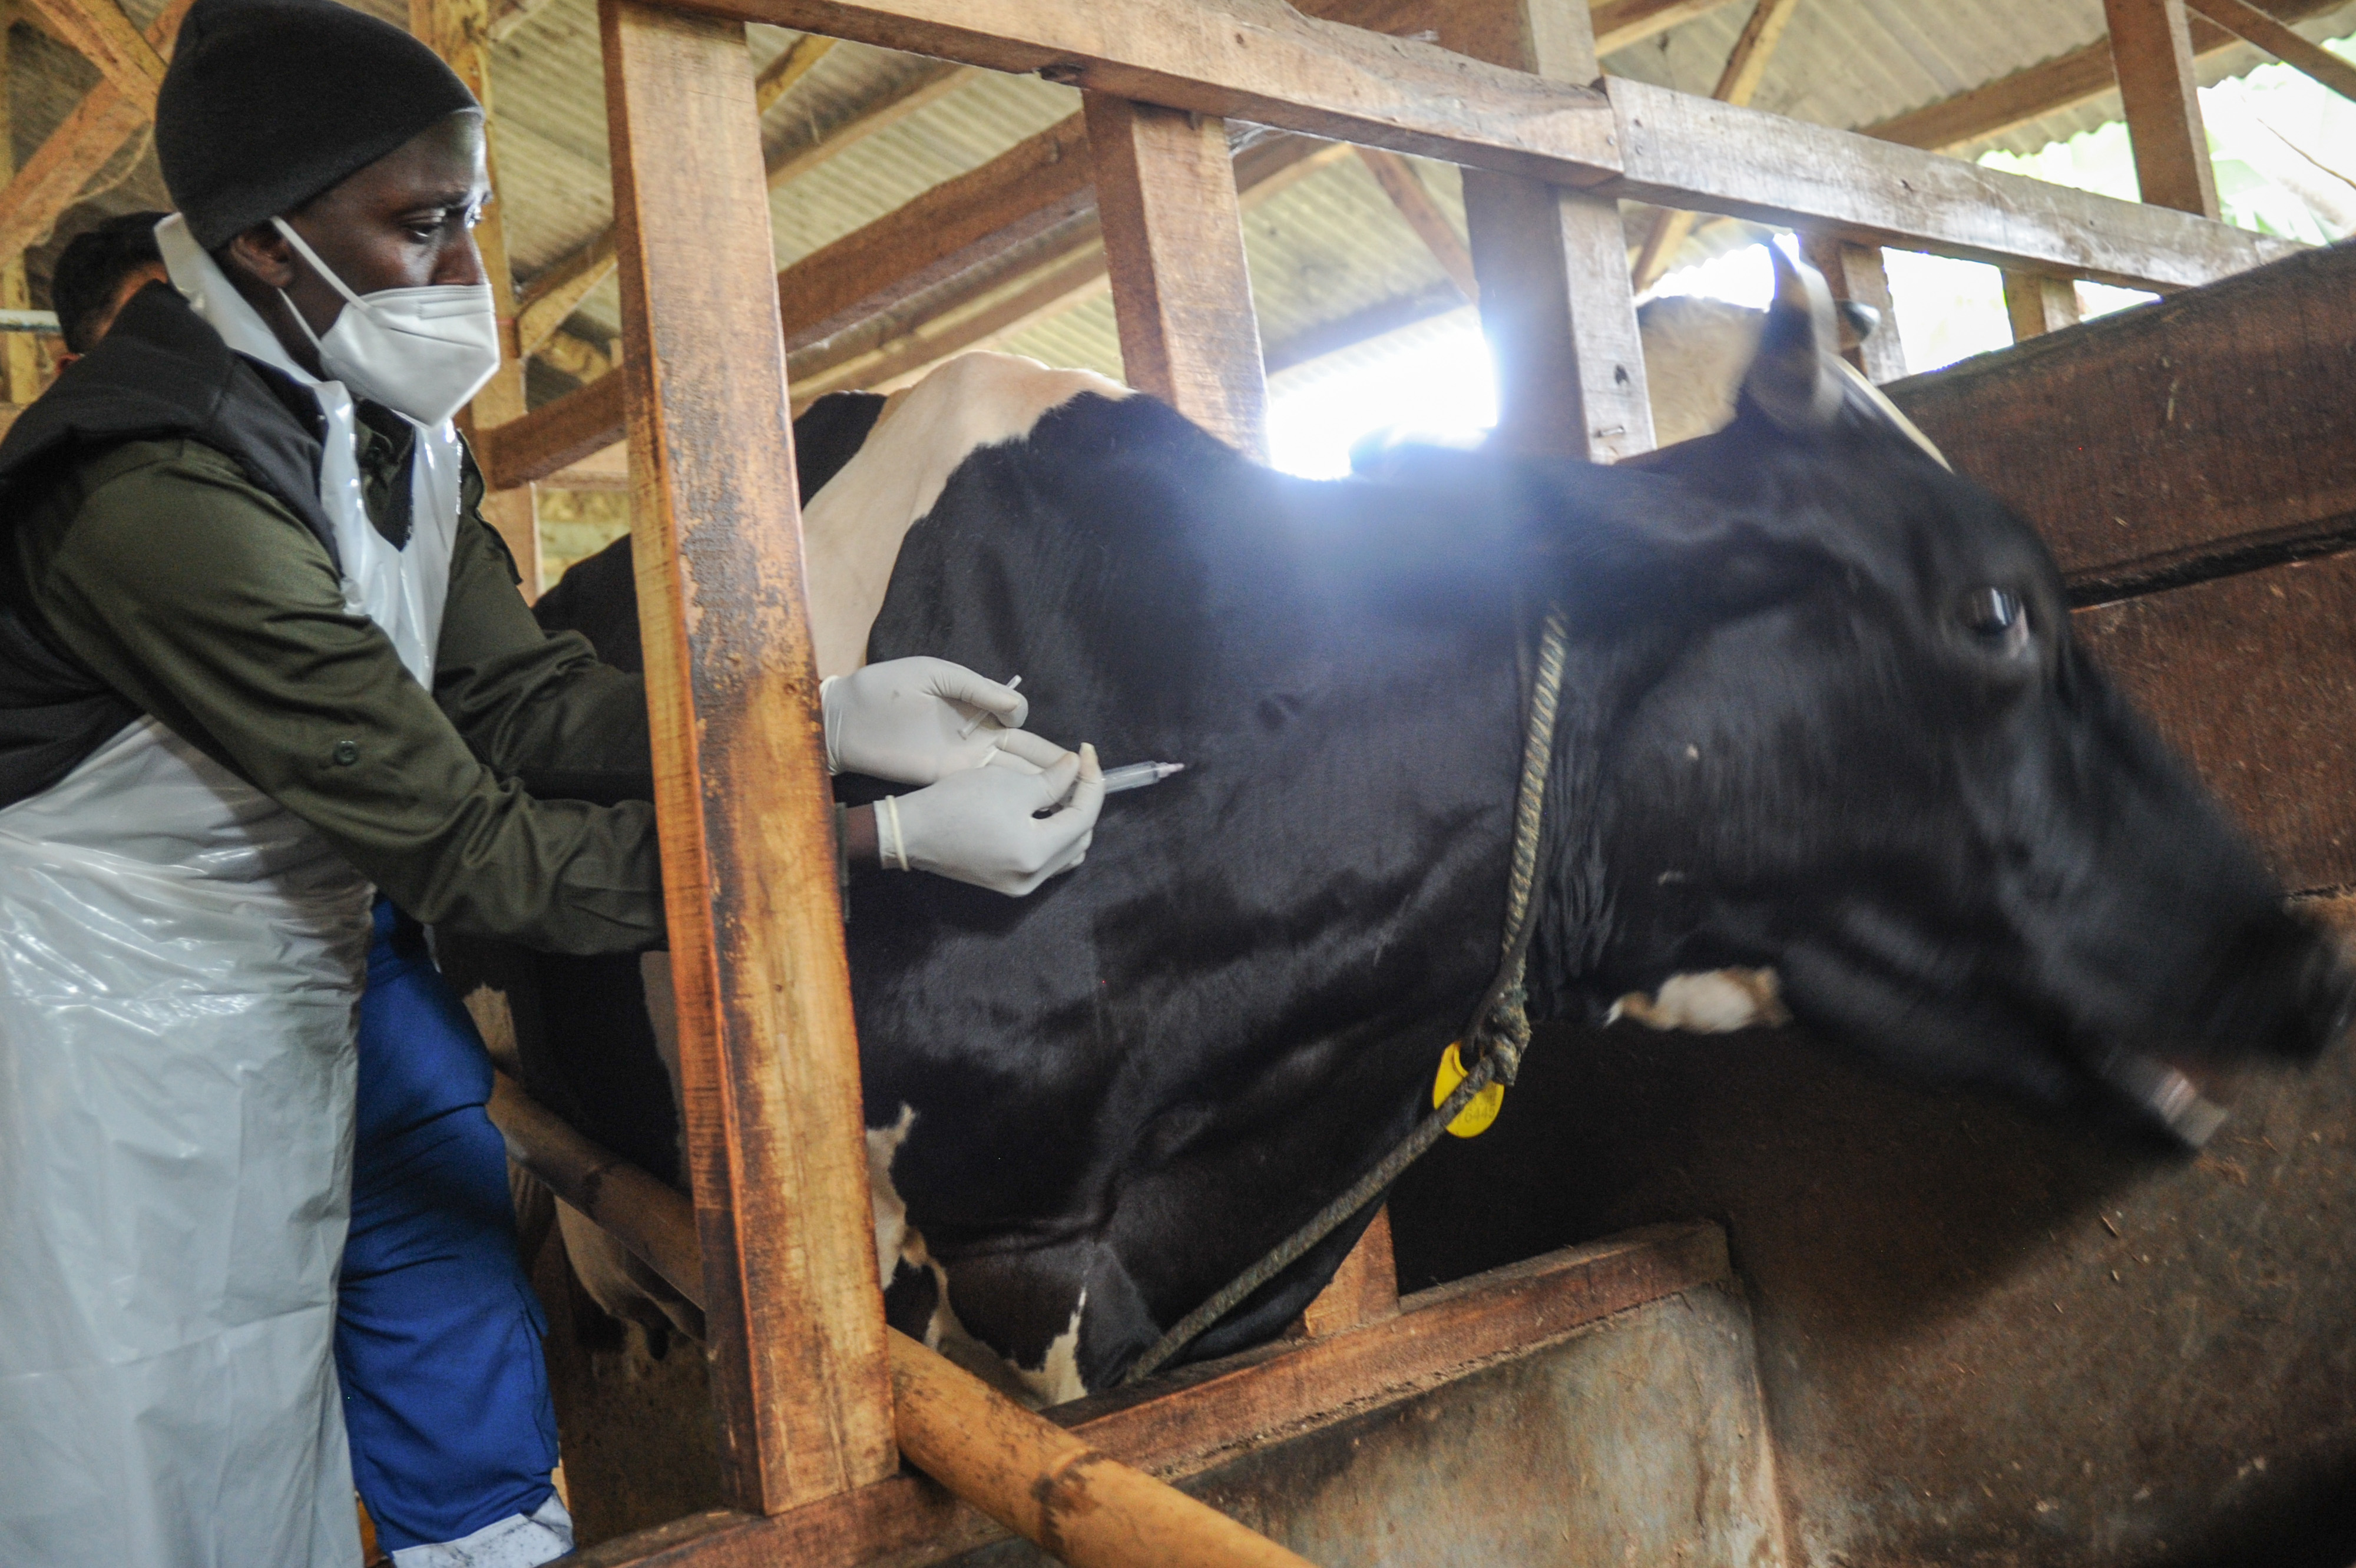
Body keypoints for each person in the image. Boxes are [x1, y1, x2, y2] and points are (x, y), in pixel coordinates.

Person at [0, 1, 1103, 1564]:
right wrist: (871, 838)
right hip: (79, 1040)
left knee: (266, 1436)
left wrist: (812, 715)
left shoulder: (395, 436)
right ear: (260, 245)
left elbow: (517, 706)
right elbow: (478, 853)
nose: (466, 279)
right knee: (125, 1449)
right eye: (423, 230)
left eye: (473, 223)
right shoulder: (149, 495)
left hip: (282, 982)